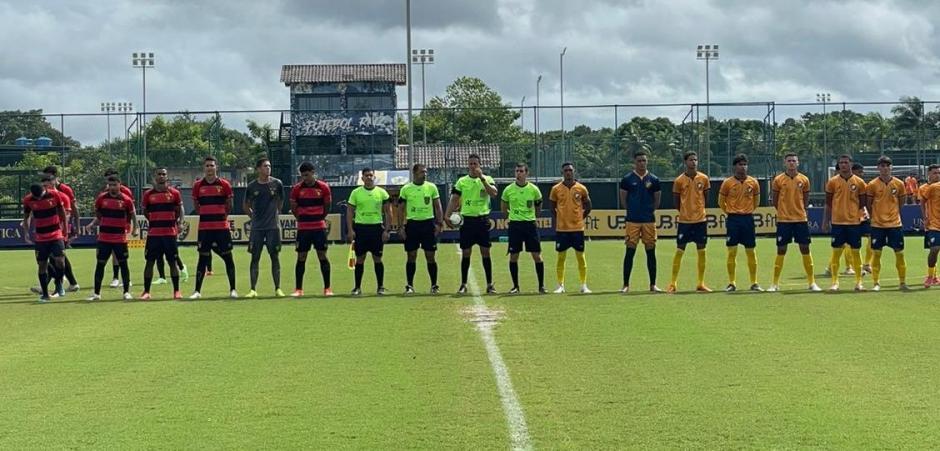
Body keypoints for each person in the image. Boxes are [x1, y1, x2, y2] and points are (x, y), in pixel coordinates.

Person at [445, 154, 499, 294]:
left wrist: (482, 179)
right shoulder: (462, 181)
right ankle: (463, 284)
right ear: (467, 165)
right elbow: (454, 199)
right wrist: (447, 215)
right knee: (466, 252)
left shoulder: (487, 179)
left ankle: (489, 284)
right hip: (467, 221)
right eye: (471, 164)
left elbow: (494, 193)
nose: (473, 166)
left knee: (485, 252)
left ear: (480, 165)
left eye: (475, 163)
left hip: (482, 220)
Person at [769, 153, 820, 292]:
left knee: (805, 248)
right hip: (784, 220)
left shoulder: (804, 179)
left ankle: (812, 283)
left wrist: (800, 211)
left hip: (800, 220)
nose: (791, 163)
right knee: (781, 249)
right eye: (789, 161)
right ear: (785, 163)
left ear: (798, 163)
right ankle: (774, 284)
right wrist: (783, 211)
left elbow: (806, 198)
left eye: (794, 161)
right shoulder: (778, 180)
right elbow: (775, 200)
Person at [190, 156, 238, 299]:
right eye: (207, 166)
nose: (209, 168)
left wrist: (221, 216)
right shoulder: (198, 186)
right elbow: (197, 207)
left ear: (216, 167)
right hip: (204, 228)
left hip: (222, 228)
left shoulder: (224, 184)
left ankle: (233, 289)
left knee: (228, 258)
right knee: (202, 259)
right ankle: (197, 291)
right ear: (203, 168)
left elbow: (230, 205)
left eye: (212, 165)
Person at [85, 176, 136, 301]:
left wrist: (135, 229)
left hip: (120, 239)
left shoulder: (126, 200)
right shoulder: (101, 198)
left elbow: (133, 215)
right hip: (104, 238)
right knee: (100, 264)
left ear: (119, 184)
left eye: (114, 184)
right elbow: (99, 215)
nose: (112, 187)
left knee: (123, 264)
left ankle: (126, 292)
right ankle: (97, 294)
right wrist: (92, 224)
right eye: (109, 185)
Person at [823, 154, 869, 291]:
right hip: (838, 222)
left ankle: (859, 282)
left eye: (846, 162)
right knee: (836, 252)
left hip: (854, 222)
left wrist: (862, 219)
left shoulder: (860, 182)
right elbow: (828, 203)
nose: (843, 165)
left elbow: (863, 203)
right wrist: (825, 221)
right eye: (841, 162)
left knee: (856, 251)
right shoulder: (832, 182)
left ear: (851, 164)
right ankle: (835, 282)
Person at [619, 151, 662, 293]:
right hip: (633, 221)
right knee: (630, 252)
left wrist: (650, 211)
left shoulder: (654, 179)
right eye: (639, 161)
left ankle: (653, 285)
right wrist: (631, 211)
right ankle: (626, 285)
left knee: (651, 252)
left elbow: (657, 200)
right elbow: (623, 199)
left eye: (644, 160)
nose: (642, 163)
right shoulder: (627, 179)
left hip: (649, 220)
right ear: (634, 162)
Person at [668, 151, 711, 293]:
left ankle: (701, 283)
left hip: (700, 220)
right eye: (691, 160)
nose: (694, 162)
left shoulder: (704, 178)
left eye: (696, 160)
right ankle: (673, 283)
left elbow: (706, 197)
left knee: (702, 251)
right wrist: (685, 212)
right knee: (680, 250)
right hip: (685, 221)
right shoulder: (679, 180)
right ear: (685, 162)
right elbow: (676, 201)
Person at [718, 154, 762, 292]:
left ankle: (754, 283)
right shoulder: (727, 183)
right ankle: (732, 283)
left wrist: (747, 211)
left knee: (751, 251)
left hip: (747, 219)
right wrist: (730, 212)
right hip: (733, 220)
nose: (743, 167)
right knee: (732, 251)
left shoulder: (753, 182)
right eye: (740, 164)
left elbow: (756, 201)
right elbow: (720, 202)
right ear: (734, 166)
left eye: (745, 164)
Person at [397, 163, 443, 294]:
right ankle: (410, 285)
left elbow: (437, 206)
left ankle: (434, 285)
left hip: (428, 224)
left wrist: (439, 223)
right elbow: (400, 209)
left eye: (426, 172)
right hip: (412, 225)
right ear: (415, 173)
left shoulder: (431, 187)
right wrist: (401, 227)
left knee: (430, 256)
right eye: (422, 172)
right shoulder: (406, 189)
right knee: (411, 255)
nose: (425, 174)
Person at [289, 161, 333, 297]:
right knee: (301, 256)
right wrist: (302, 219)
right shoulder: (296, 189)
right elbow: (294, 208)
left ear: (313, 172)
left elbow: (327, 207)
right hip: (303, 228)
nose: (305, 178)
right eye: (302, 176)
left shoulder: (323, 187)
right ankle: (298, 289)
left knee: (322, 255)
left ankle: (327, 288)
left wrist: (319, 217)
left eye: (307, 175)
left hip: (319, 227)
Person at [244, 157, 286, 298]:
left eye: (269, 166)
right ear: (258, 169)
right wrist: (254, 218)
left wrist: (275, 215)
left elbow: (281, 202)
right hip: (257, 228)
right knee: (255, 258)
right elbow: (246, 205)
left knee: (275, 257)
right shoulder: (252, 186)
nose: (268, 168)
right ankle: (253, 289)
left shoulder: (277, 183)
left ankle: (278, 288)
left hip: (273, 228)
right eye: (265, 166)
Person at [501, 163, 546, 294]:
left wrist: (534, 217)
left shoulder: (533, 189)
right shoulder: (508, 189)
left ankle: (541, 286)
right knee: (514, 256)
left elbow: (539, 204)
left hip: (530, 225)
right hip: (515, 225)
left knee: (537, 255)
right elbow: (503, 205)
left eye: (521, 171)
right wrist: (508, 218)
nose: (518, 173)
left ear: (527, 173)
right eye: (517, 171)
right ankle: (515, 286)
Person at [140, 168, 184, 300]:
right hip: (154, 234)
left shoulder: (174, 193)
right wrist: (155, 220)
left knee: (172, 262)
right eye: (159, 174)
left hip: (170, 234)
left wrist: (180, 222)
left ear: (167, 176)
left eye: (163, 174)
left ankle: (176, 291)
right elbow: (145, 212)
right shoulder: (148, 194)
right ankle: (146, 291)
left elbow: (179, 210)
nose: (161, 176)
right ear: (155, 177)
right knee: (149, 262)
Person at [866, 156, 908, 291]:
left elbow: (902, 201)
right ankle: (876, 283)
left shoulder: (899, 184)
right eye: (882, 166)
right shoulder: (872, 185)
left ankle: (902, 282)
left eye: (887, 166)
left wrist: (894, 214)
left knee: (899, 253)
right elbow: (869, 204)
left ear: (891, 167)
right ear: (878, 168)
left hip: (895, 225)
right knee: (877, 253)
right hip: (878, 225)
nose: (885, 168)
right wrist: (874, 218)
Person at [346, 168, 391, 295]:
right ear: (362, 178)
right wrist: (350, 230)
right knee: (360, 259)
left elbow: (388, 212)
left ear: (374, 177)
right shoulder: (356, 193)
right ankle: (357, 287)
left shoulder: (382, 193)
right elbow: (349, 211)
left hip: (376, 229)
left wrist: (387, 230)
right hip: (361, 229)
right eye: (366, 175)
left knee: (378, 258)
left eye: (371, 175)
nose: (369, 177)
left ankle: (380, 287)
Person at [549, 162, 592, 294]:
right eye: (566, 170)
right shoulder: (556, 189)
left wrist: (580, 217)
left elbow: (588, 205)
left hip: (577, 229)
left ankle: (584, 285)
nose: (568, 172)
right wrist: (560, 218)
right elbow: (552, 206)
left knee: (580, 257)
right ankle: (560, 285)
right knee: (561, 257)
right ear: (562, 172)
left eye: (570, 170)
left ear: (574, 172)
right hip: (562, 229)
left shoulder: (581, 188)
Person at [21, 182, 68, 302]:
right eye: (37, 197)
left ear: (45, 189)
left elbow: (62, 212)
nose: (39, 198)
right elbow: (26, 217)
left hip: (56, 234)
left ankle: (59, 285)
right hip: (41, 237)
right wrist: (26, 234)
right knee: (42, 265)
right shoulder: (28, 200)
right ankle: (45, 295)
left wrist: (65, 231)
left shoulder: (54, 195)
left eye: (41, 195)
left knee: (60, 261)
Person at [42, 166, 80, 292]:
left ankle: (50, 284)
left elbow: (73, 208)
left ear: (54, 177)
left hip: (63, 227)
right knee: (56, 256)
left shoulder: (64, 190)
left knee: (56, 255)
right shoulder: (45, 190)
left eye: (48, 177)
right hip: (52, 227)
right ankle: (70, 282)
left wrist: (76, 226)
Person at [102, 169, 136, 289]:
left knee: (119, 253)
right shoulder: (105, 192)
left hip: (122, 225)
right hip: (109, 226)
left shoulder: (126, 191)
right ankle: (117, 278)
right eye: (108, 180)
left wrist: (133, 226)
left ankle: (121, 278)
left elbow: (131, 210)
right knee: (112, 252)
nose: (110, 183)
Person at [920, 165, 940, 287]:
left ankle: (934, 277)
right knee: (934, 249)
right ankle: (931, 276)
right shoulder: (929, 188)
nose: (937, 175)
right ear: (928, 174)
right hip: (934, 224)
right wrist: (925, 218)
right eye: (935, 173)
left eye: (939, 173)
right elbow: (922, 201)